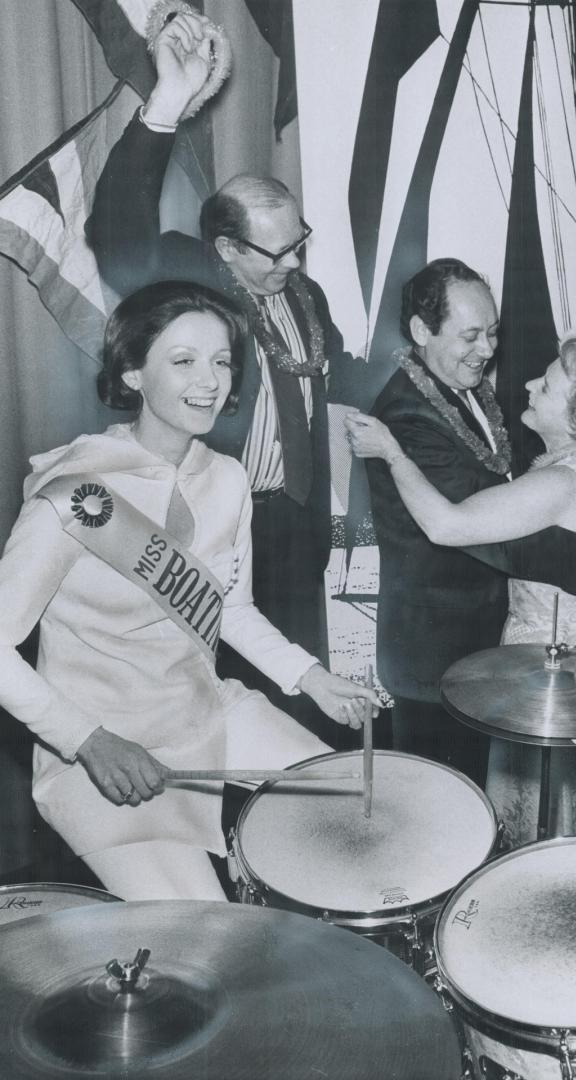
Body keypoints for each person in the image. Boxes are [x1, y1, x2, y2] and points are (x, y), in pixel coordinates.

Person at [0, 281, 379, 902]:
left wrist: (310, 675)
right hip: (104, 753)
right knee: (208, 942)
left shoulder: (226, 479)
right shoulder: (75, 495)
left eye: (223, 360)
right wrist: (86, 740)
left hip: (208, 714)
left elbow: (229, 607)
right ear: (132, 375)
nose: (210, 380)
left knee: (360, 816)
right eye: (183, 361)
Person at [86, 10, 365, 747]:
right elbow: (116, 235)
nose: (295, 264)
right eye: (274, 253)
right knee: (213, 708)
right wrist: (166, 105)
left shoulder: (305, 295)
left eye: (300, 245)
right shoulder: (190, 283)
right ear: (223, 248)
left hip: (295, 527)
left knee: (301, 696)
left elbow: (340, 376)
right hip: (213, 527)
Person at [347, 327, 576, 845]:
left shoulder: (561, 482)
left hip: (541, 671)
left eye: (548, 386)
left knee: (531, 820)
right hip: (570, 665)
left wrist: (393, 453)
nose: (529, 384)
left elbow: (446, 526)